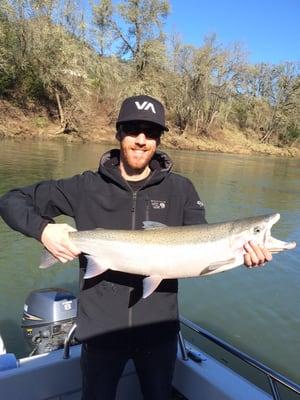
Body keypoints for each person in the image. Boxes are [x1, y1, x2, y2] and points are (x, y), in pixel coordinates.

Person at [0, 95, 272, 400]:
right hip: (100, 333)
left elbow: (204, 249)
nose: (142, 140)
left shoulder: (181, 189)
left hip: (159, 334)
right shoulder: (84, 186)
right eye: (133, 129)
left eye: (151, 132)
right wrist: (44, 230)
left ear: (158, 140)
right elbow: (10, 201)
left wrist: (242, 255)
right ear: (118, 133)